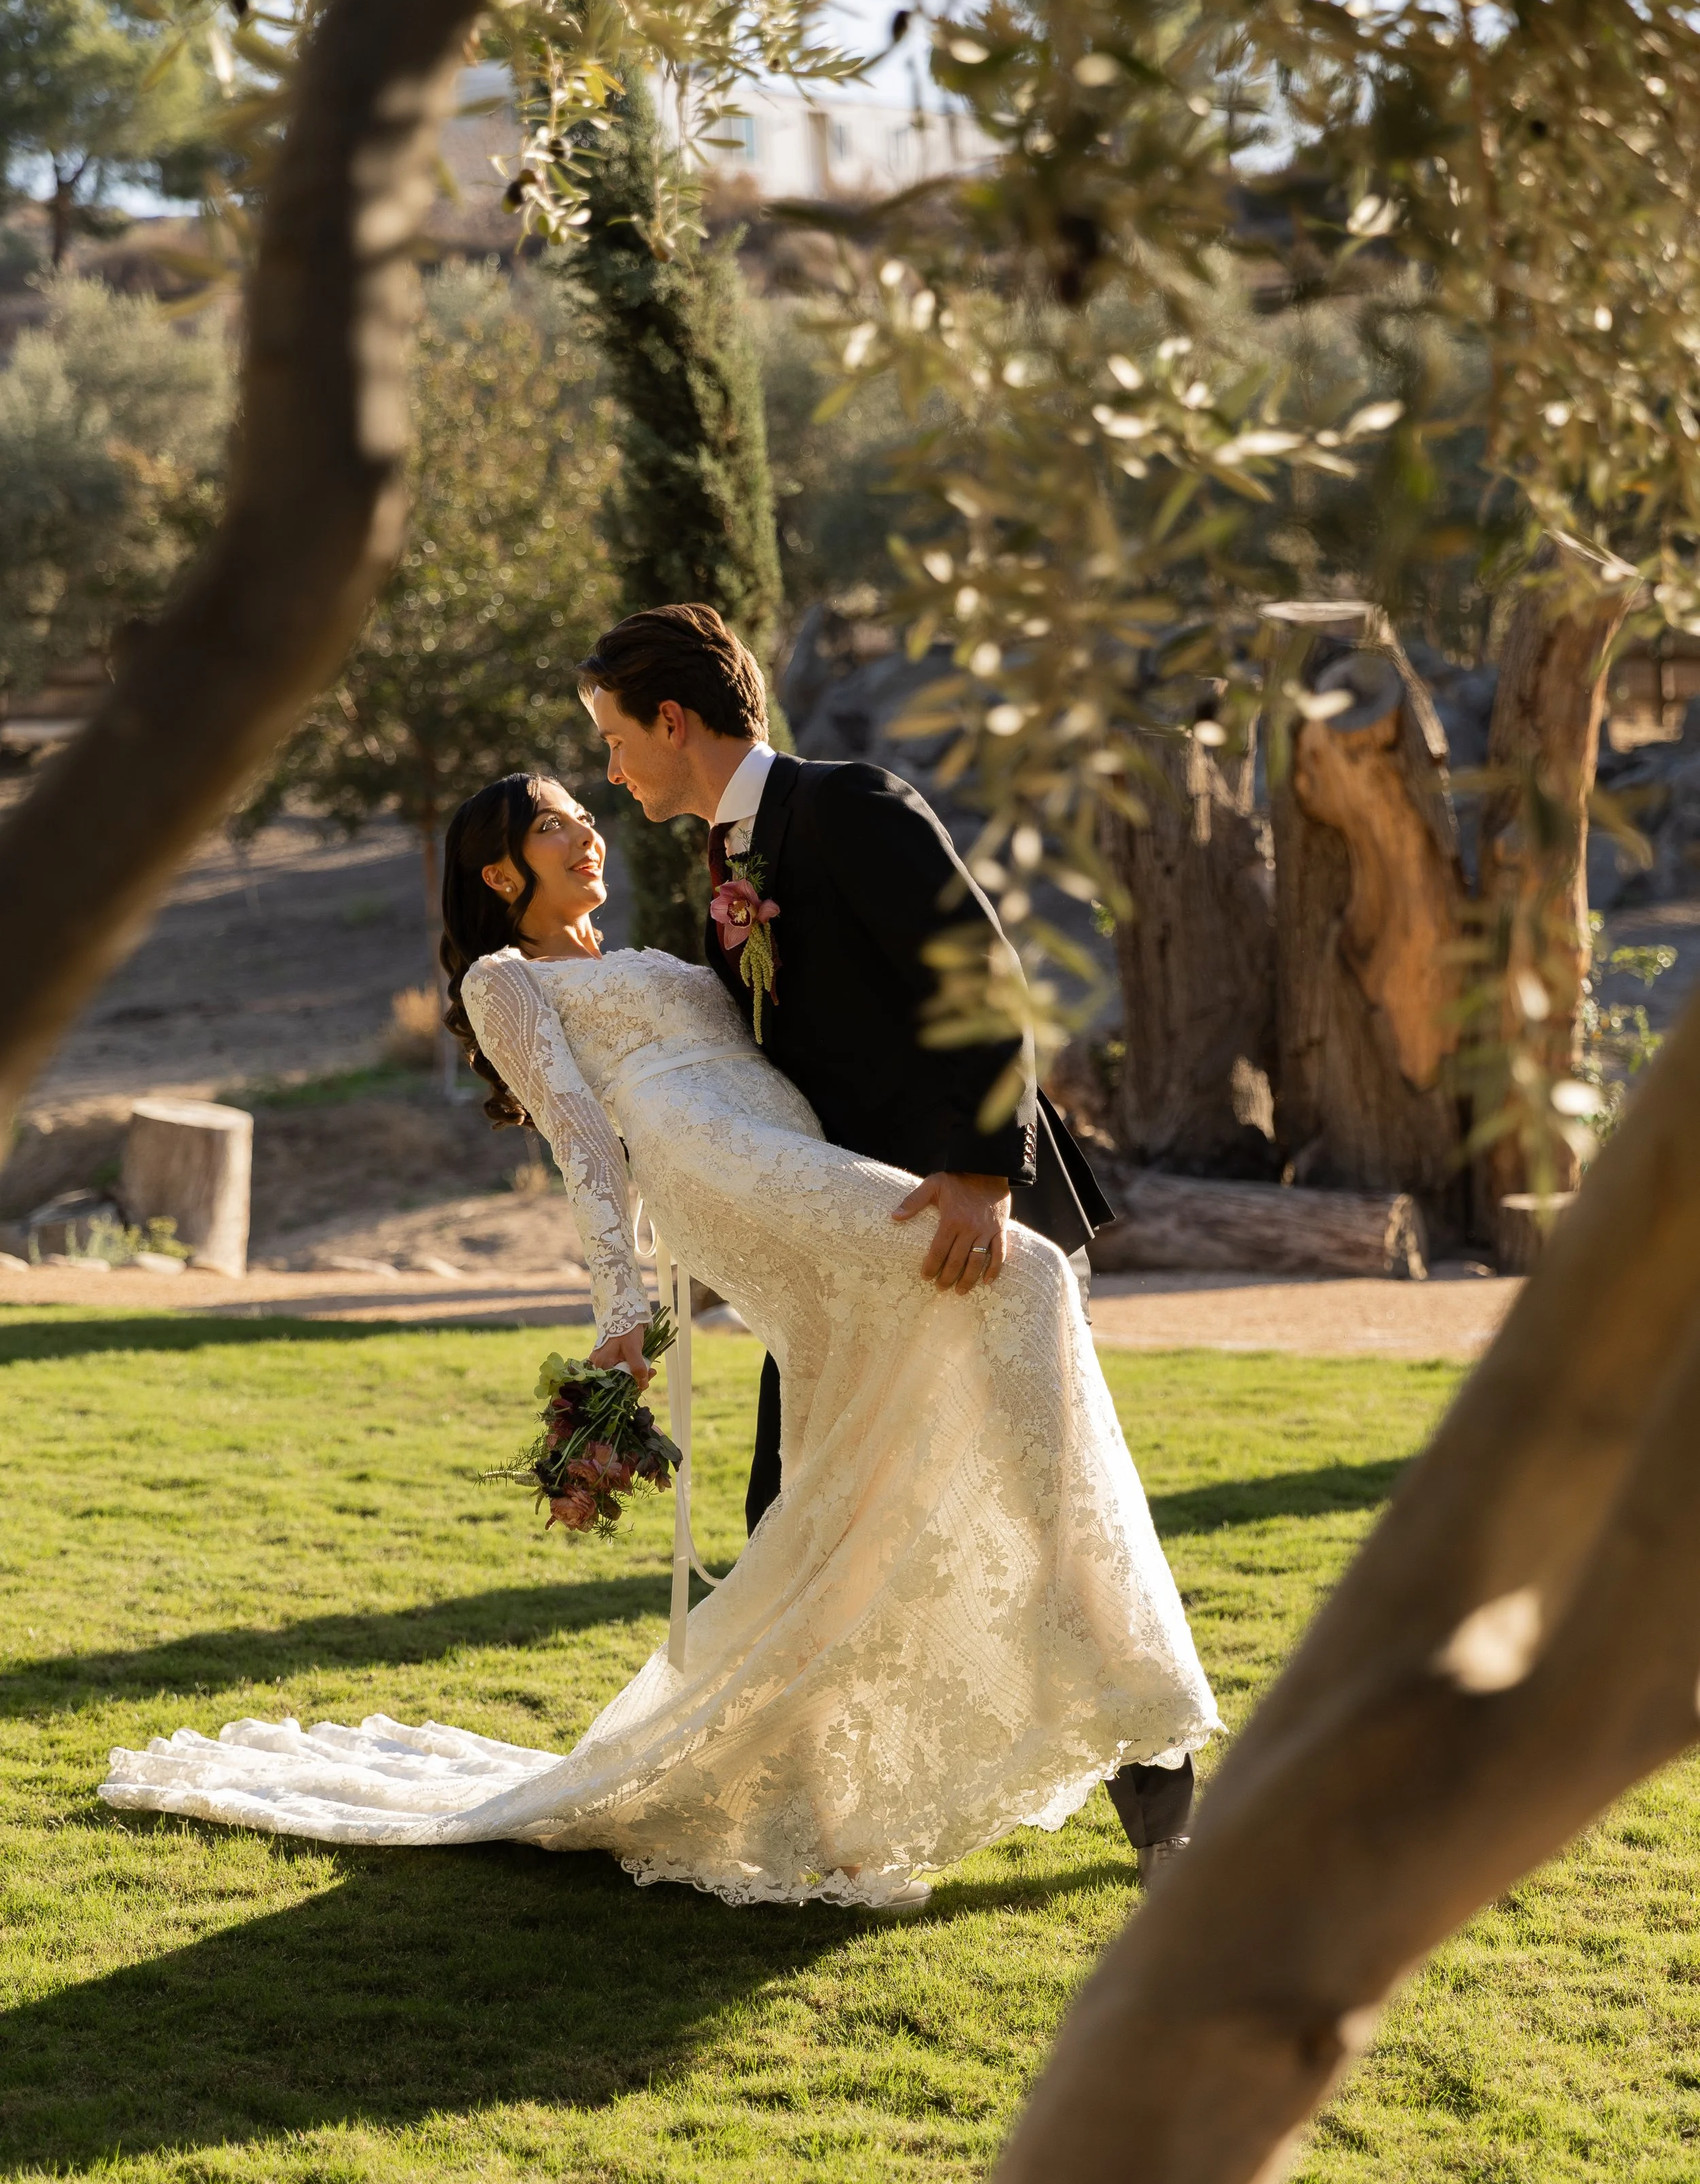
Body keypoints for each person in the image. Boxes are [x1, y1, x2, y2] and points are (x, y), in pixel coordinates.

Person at [102, 723, 1215, 1911]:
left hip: (785, 1142)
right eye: (555, 823)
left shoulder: (669, 942)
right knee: (1029, 1281)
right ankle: (1128, 1705)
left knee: (846, 1463)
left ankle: (821, 1792)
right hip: (719, 1164)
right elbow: (583, 1143)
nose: (589, 828)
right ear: (499, 875)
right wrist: (619, 1315)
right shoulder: (504, 981)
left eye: (586, 809)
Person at [581, 603, 1200, 1875]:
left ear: (675, 721)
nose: (609, 768)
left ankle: (1165, 1812)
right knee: (788, 1512)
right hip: (853, 1255)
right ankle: (795, 1816)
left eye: (611, 736)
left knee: (1050, 1504)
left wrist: (979, 1175)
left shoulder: (851, 803)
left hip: (962, 1228)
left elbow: (980, 973)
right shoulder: (727, 877)